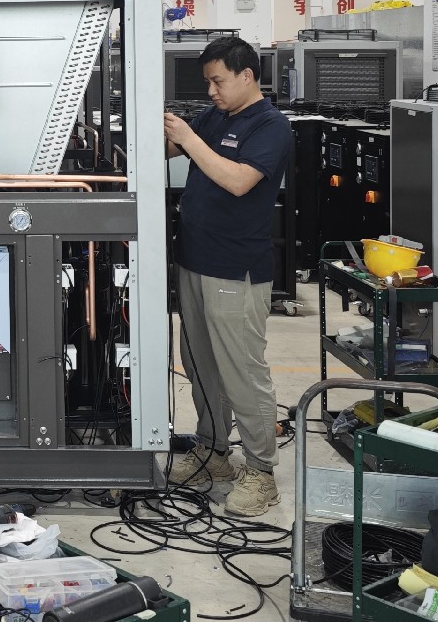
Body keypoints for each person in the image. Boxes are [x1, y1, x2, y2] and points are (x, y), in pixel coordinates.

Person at [162, 35, 291, 517]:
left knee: (242, 371)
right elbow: (171, 151)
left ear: (246, 76)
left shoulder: (270, 126)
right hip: (194, 260)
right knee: (200, 365)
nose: (211, 91)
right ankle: (213, 452)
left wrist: (189, 138)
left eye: (218, 81)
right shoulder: (215, 117)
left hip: (236, 269)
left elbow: (238, 181)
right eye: (208, 83)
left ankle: (260, 472)